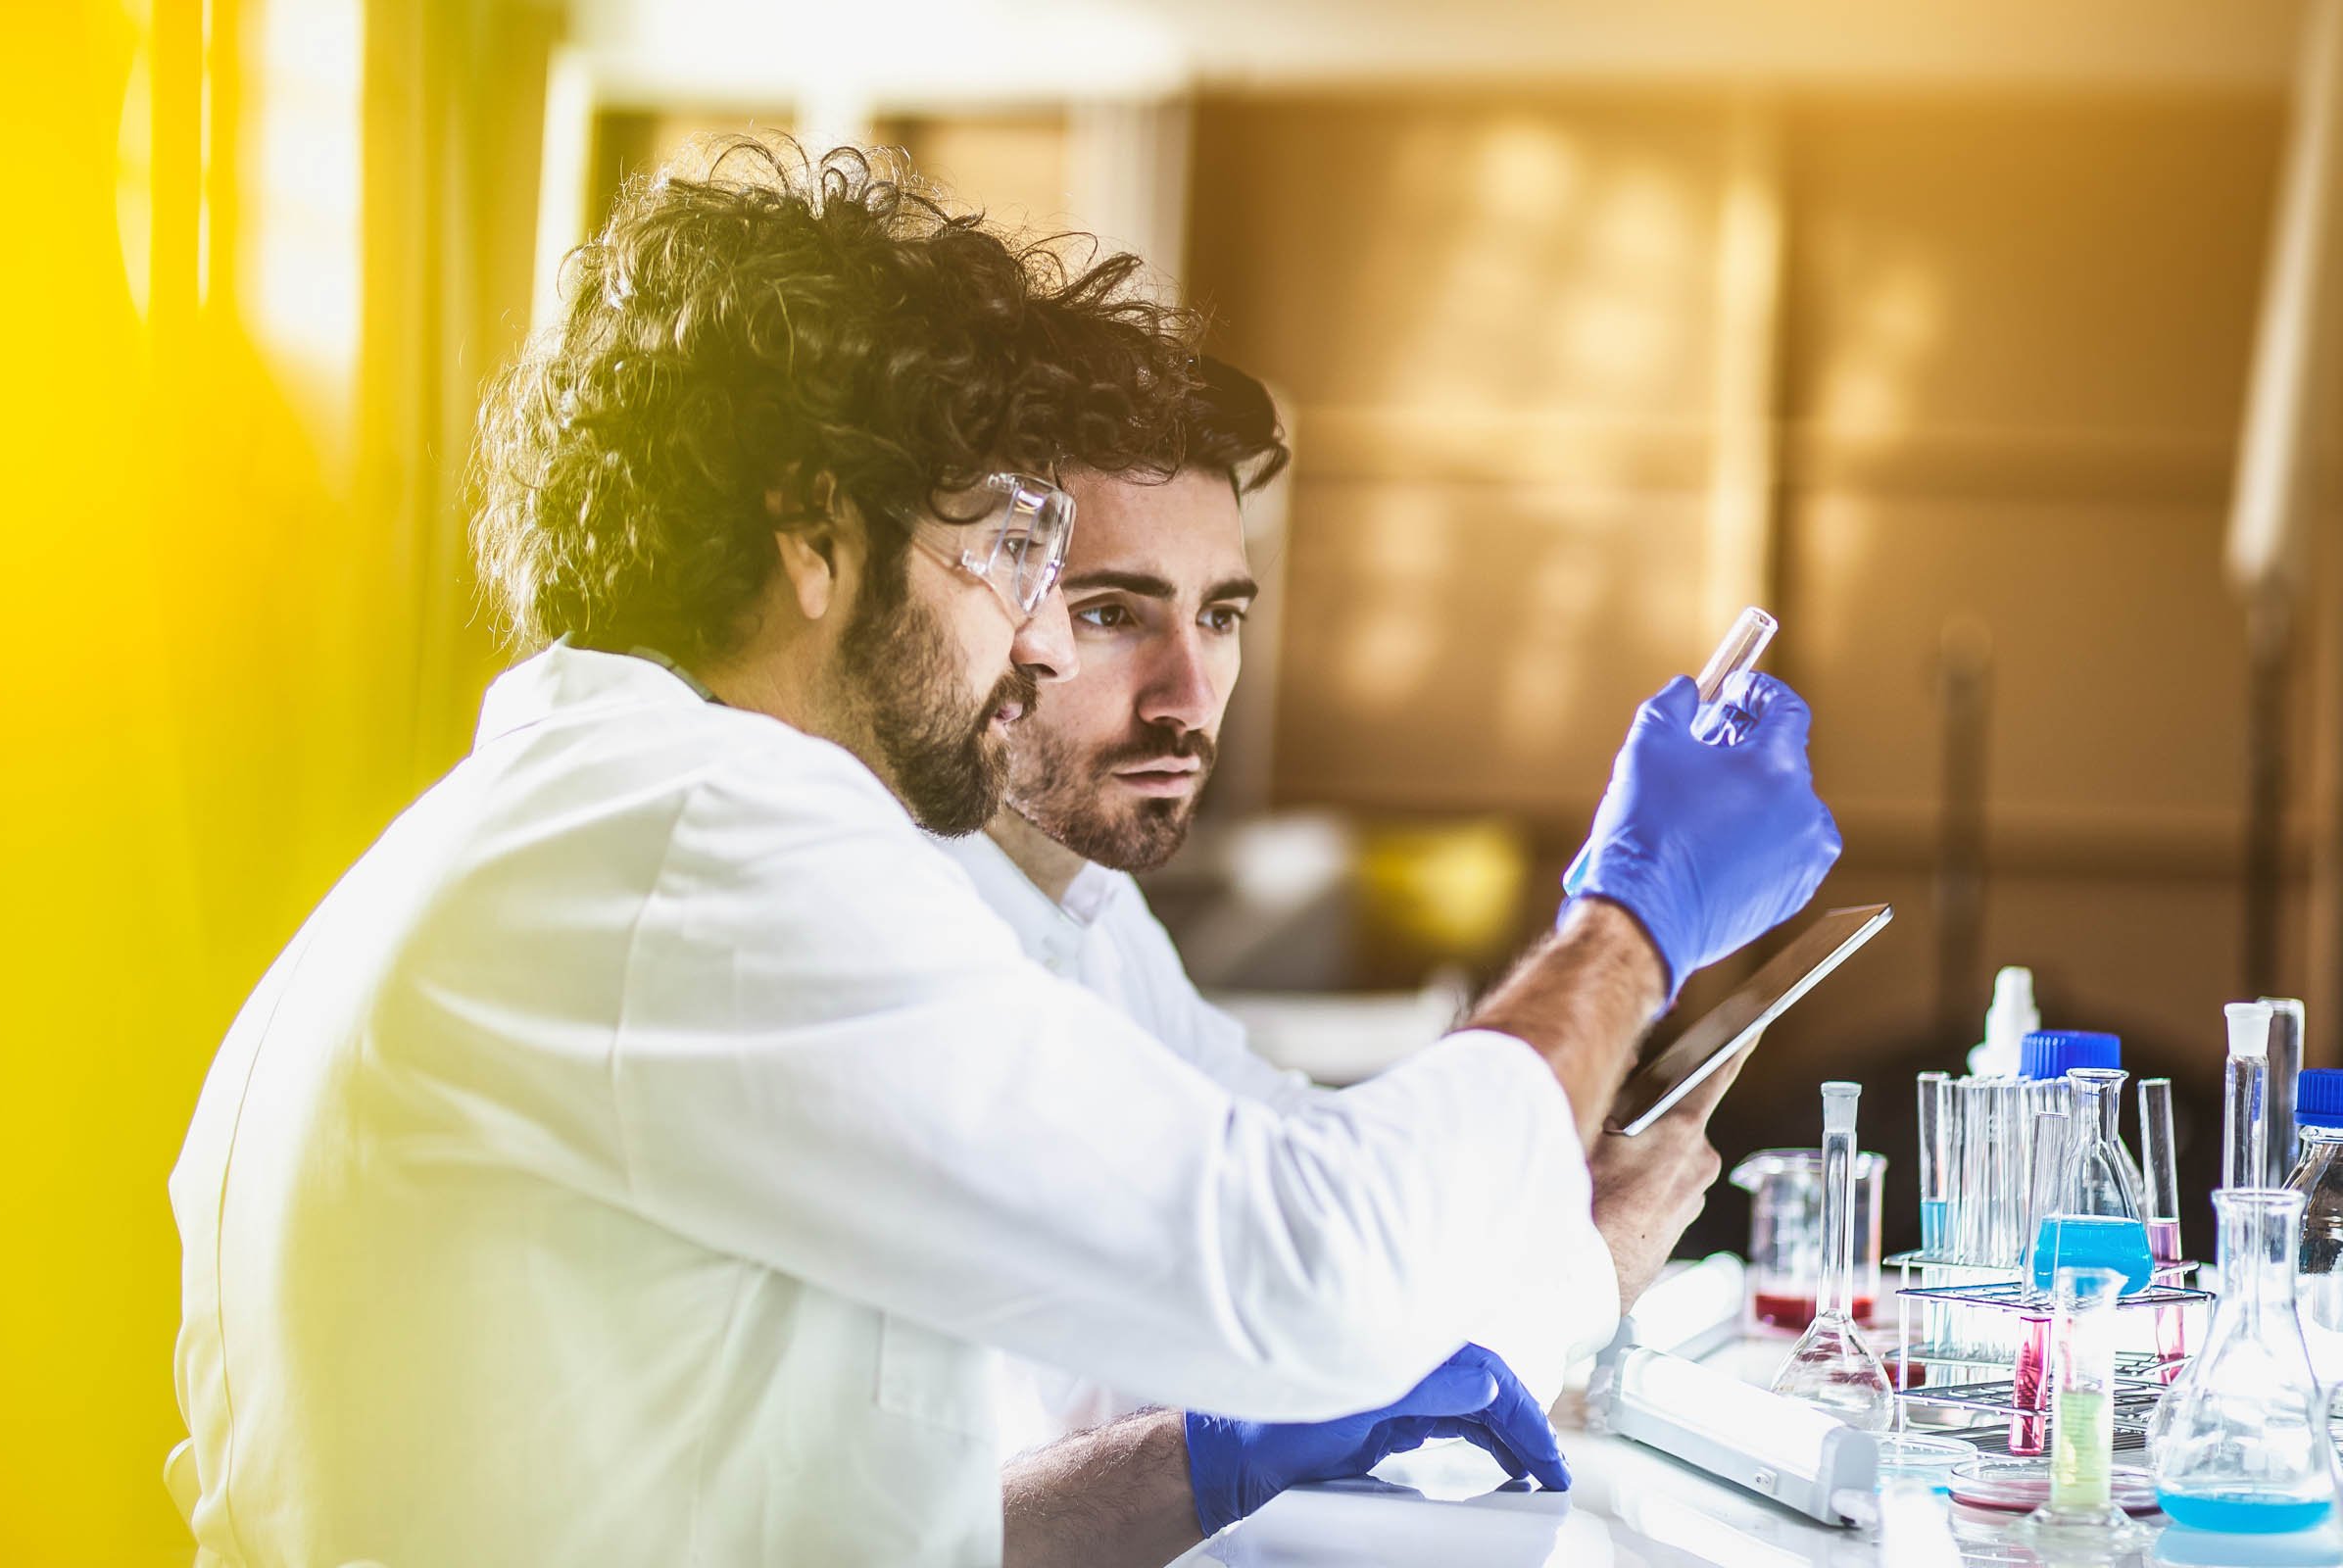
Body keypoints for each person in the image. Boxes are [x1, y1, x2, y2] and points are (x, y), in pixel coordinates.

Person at [167, 141, 1840, 1568]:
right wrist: (1628, 920)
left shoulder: (598, 827)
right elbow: (1314, 1268)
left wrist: (1282, 1407)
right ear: (818, 537)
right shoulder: (699, 842)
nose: (1026, 643)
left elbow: (848, 1499)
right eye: (1002, 550)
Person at [956, 363, 1734, 1468]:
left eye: (1219, 615)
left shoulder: (1088, 901)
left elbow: (1295, 1149)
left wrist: (1536, 1175)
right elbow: (1187, 1384)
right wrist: (1581, 1268)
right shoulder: (941, 935)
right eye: (1112, 613)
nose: (1186, 693)